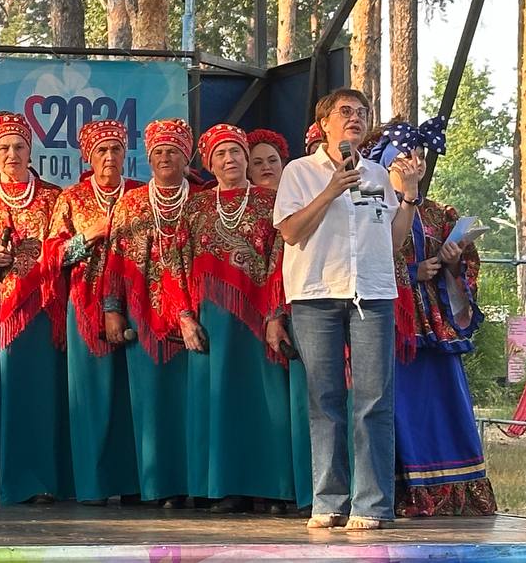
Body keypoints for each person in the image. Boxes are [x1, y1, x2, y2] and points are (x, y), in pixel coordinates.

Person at [274, 88, 424, 531]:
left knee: (374, 399)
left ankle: (372, 504)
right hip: (316, 292)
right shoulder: (299, 171)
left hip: (372, 293)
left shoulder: (378, 174)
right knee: (324, 399)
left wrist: (409, 196)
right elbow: (291, 232)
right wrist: (330, 190)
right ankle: (329, 501)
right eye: (345, 112)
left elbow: (393, 241)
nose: (355, 118)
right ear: (324, 124)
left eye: (362, 112)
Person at [368, 118, 497, 518]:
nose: (416, 162)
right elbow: (363, 258)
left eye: (421, 155)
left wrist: (453, 262)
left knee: (443, 404)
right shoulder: (371, 206)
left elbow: (461, 268)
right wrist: (411, 272)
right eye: (407, 155)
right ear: (386, 160)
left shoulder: (440, 213)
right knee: (400, 407)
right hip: (393, 324)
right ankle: (404, 492)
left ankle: (454, 492)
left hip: (435, 329)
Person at [0, 111, 71, 505]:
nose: (12, 154)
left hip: (38, 311)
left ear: (31, 149)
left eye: (19, 146)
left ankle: (38, 481)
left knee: (35, 393)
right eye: (4, 147)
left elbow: (63, 248)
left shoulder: (54, 197)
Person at [187, 124, 292, 514]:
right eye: (220, 154)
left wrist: (275, 314)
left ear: (246, 159)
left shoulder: (270, 202)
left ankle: (274, 488)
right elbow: (177, 262)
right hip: (212, 317)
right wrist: (184, 316)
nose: (229, 159)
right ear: (209, 163)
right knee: (221, 399)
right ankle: (227, 487)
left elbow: (281, 261)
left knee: (267, 399)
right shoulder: (196, 206)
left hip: (261, 314)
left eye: (235, 152)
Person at [104, 119, 203, 508]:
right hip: (142, 313)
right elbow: (114, 262)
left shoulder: (200, 200)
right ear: (148, 159)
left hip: (195, 316)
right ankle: (157, 486)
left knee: (191, 402)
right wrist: (112, 310)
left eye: (173, 152)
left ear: (186, 157)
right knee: (151, 401)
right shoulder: (130, 203)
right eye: (158, 152)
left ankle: (195, 486)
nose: (165, 158)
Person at [47, 118, 143, 505]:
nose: (109, 157)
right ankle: (93, 486)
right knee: (90, 393)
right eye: (101, 150)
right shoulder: (71, 198)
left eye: (116, 149)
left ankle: (136, 484)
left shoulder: (139, 194)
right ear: (88, 156)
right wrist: (89, 236)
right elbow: (53, 255)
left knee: (132, 393)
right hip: (84, 304)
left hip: (137, 303)